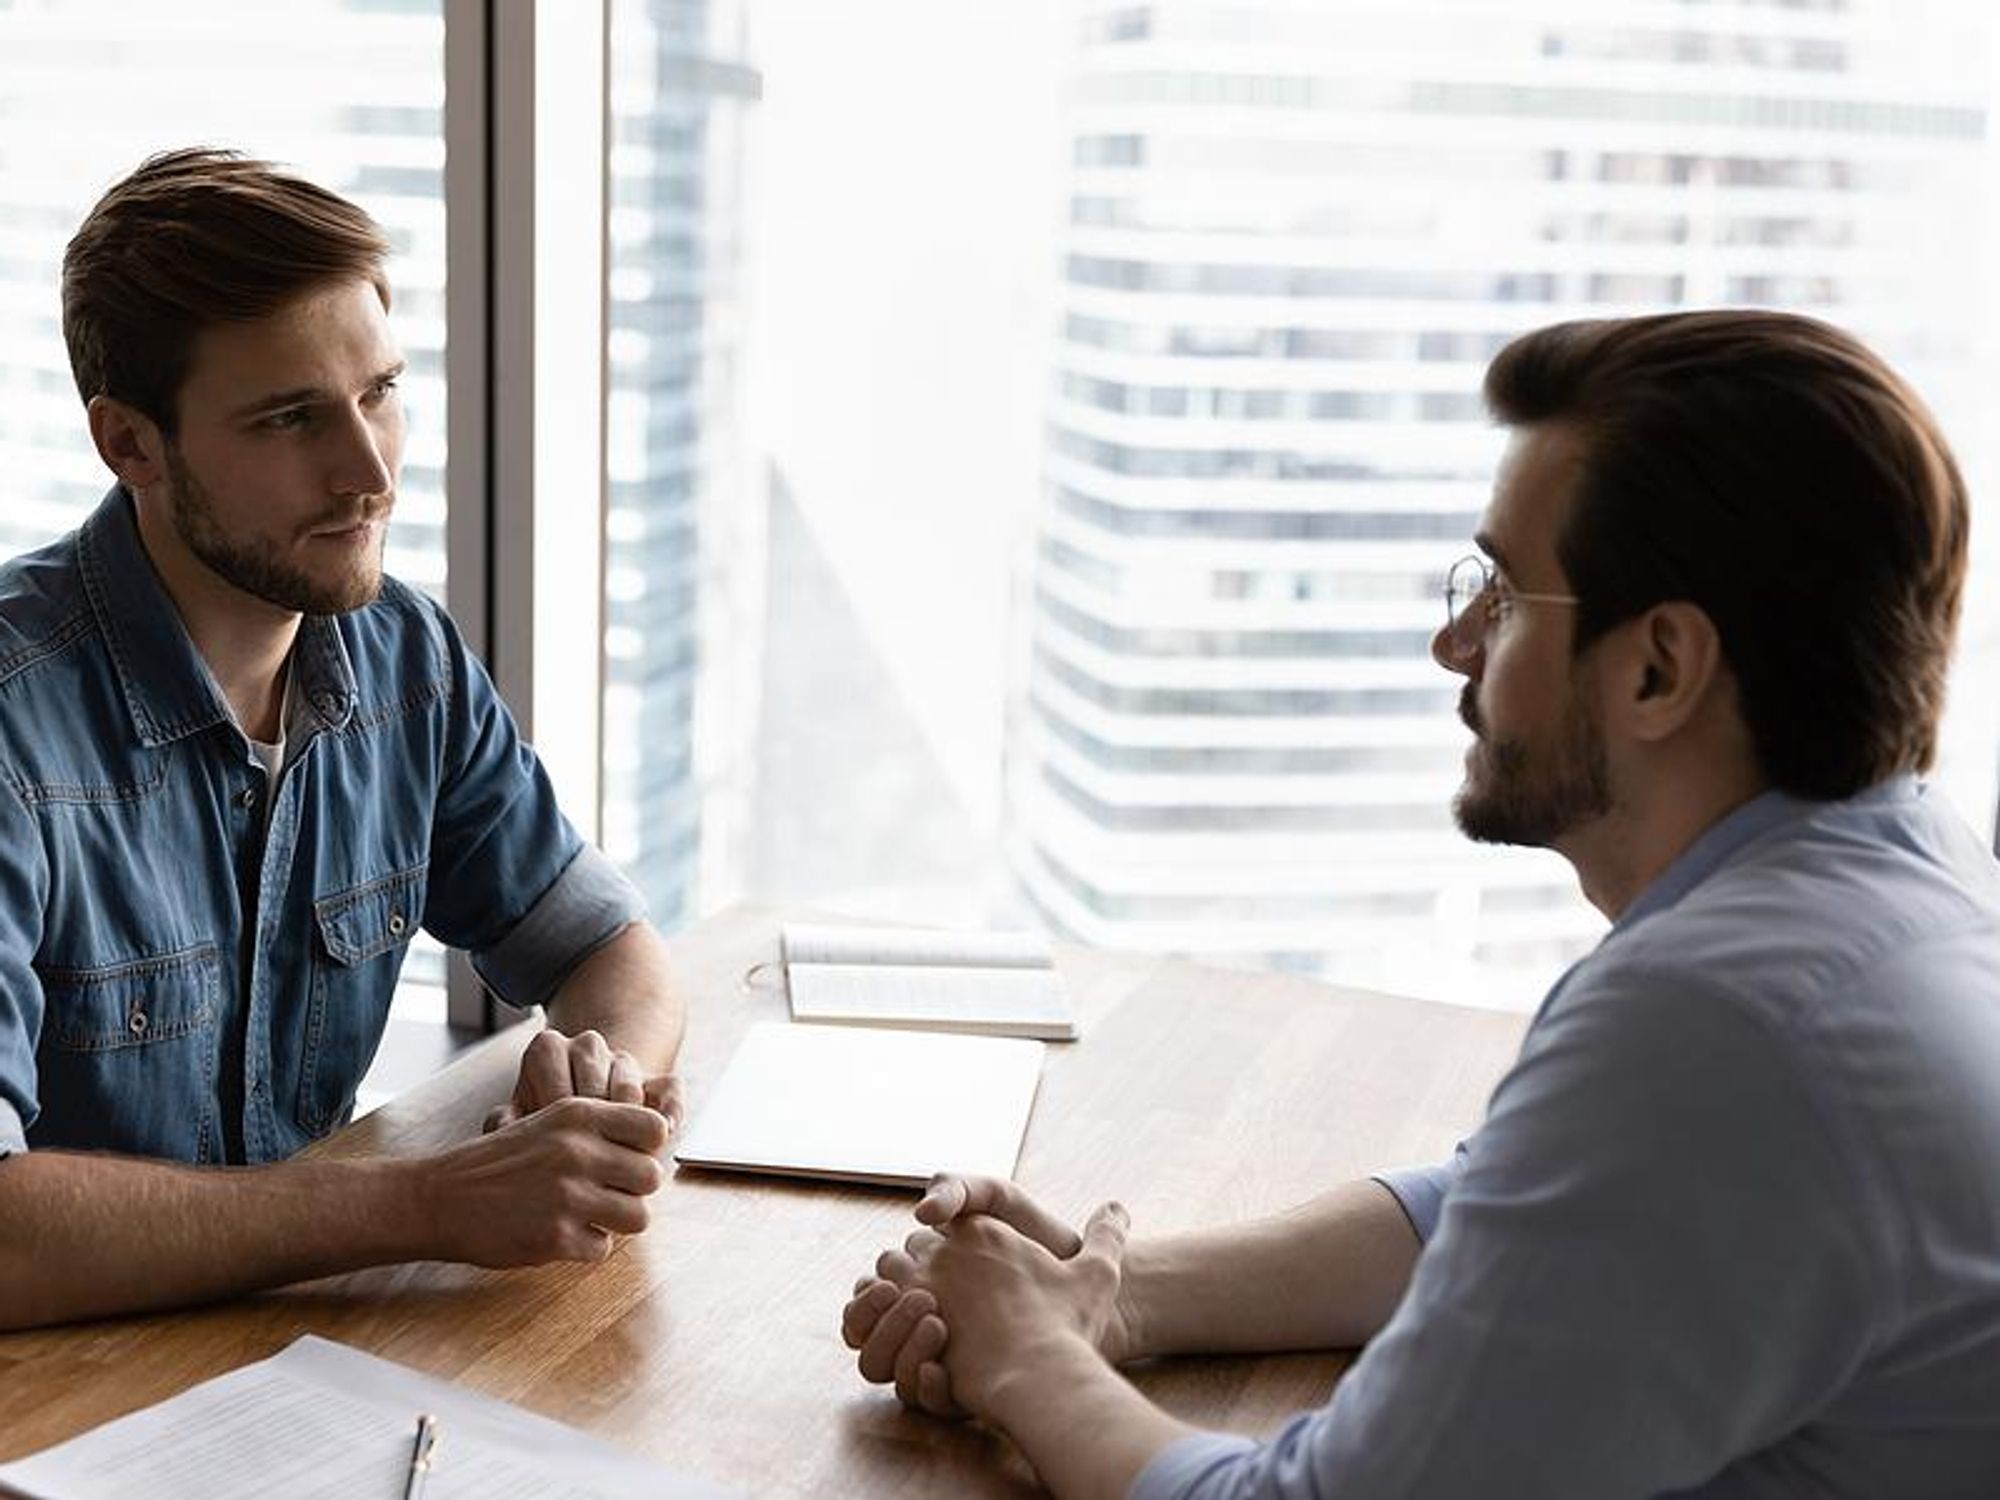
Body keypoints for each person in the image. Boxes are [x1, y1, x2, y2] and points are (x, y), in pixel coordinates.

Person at [842, 309, 2000, 1497]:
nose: (1453, 642)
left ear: (1657, 668)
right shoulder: (1914, 874)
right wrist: (1115, 1293)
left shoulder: (1715, 1025)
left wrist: (1027, 1357)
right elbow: (1502, 1204)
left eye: (1503, 594)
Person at [0, 148, 687, 1331]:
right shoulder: (15, 729)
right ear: (131, 446)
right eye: (289, 418)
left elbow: (610, 947)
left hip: (296, 1363)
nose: (368, 472)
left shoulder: (401, 657)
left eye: (379, 392)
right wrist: (423, 1205)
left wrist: (595, 1094)